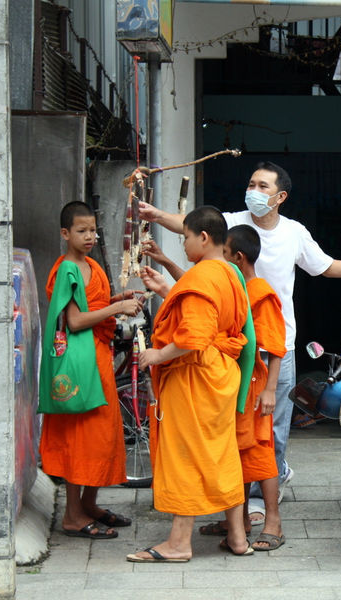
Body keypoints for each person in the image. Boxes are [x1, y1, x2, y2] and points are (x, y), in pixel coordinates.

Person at [137, 161, 341, 523]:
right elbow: (197, 229)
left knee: (272, 427)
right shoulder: (233, 224)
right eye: (251, 183)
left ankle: (264, 498)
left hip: (277, 345)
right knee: (239, 426)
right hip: (235, 346)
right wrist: (154, 215)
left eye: (262, 186)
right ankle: (242, 499)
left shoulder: (294, 234)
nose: (254, 191)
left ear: (280, 197)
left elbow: (327, 267)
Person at [140, 228, 287, 550]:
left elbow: (273, 346)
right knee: (228, 454)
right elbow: (201, 307)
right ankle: (238, 527)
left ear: (235, 257)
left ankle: (270, 521)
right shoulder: (231, 280)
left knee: (254, 453)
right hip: (229, 378)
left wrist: (270, 390)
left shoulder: (256, 289)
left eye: (187, 238)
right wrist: (166, 280)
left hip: (242, 382)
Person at [127, 206, 252, 562]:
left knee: (188, 454)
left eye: (184, 237)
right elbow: (208, 322)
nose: (182, 245)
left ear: (203, 237)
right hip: (221, 373)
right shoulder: (228, 274)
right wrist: (169, 290)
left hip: (196, 374)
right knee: (220, 452)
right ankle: (238, 537)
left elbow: (193, 338)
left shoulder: (201, 278)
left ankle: (180, 543)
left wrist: (157, 355)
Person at [40, 201, 142, 540]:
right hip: (81, 365)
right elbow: (75, 320)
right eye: (81, 231)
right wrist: (117, 306)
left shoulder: (90, 264)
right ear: (65, 233)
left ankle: (89, 505)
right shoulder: (67, 269)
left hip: (98, 360)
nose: (89, 237)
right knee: (81, 439)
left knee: (103, 436)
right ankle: (72, 516)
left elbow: (92, 304)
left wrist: (119, 297)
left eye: (92, 231)